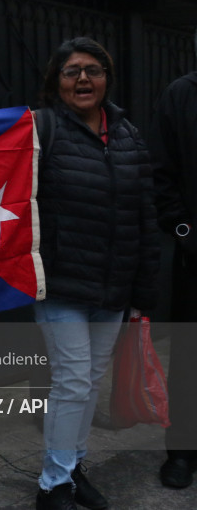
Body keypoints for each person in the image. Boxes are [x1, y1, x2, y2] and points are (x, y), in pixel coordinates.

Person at [32, 37, 159, 510]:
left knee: (90, 379)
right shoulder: (39, 131)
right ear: (56, 81)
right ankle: (53, 486)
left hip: (114, 285)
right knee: (73, 380)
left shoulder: (128, 135)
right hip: (62, 284)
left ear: (107, 78)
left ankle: (71, 467)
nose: (82, 79)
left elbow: (145, 213)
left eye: (92, 70)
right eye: (71, 71)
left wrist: (144, 287)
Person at [148, 60, 197, 489]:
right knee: (188, 356)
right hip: (196, 258)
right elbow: (160, 172)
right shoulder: (181, 94)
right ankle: (182, 452)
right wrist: (183, 231)